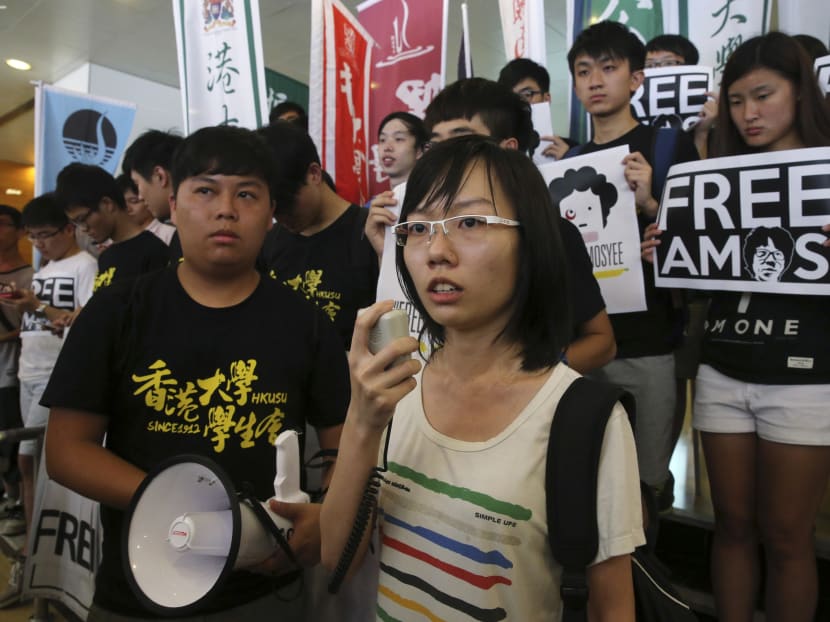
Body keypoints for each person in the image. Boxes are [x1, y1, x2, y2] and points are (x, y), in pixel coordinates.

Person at [321, 135, 644, 620]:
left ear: (531, 243)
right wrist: (362, 423)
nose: (437, 251)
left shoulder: (582, 419)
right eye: (419, 227)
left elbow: (612, 607)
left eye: (470, 222)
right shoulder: (393, 391)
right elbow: (336, 561)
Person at [42, 125, 350, 621]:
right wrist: (178, 506)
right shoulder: (118, 311)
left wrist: (326, 513)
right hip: (138, 591)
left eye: (246, 194)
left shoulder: (305, 322)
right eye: (205, 191)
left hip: (266, 590)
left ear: (271, 211)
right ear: (173, 202)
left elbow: (343, 441)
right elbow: (66, 451)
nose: (226, 209)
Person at [643, 31, 830, 622]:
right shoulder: (710, 179)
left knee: (788, 534)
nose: (749, 113)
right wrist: (666, 253)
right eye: (737, 100)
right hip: (722, 368)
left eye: (764, 95)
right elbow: (699, 283)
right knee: (731, 525)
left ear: (800, 94)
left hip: (806, 377)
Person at [367, 77, 617, 374]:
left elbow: (601, 342)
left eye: (463, 141)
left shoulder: (553, 234)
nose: (445, 157)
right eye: (435, 145)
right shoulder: (410, 234)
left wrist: (525, 378)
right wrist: (389, 251)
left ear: (507, 150)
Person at [566, 20, 699, 510]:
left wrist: (651, 205)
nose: (595, 81)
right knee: (583, 481)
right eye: (584, 71)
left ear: (636, 78)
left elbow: (702, 244)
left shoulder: (667, 146)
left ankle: (645, 555)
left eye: (608, 68)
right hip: (583, 341)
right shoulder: (570, 161)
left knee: (644, 486)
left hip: (648, 339)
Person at [0, 194, 96, 609]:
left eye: (45, 235)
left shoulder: (85, 265)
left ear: (68, 229)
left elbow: (84, 320)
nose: (39, 244)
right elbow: (42, 321)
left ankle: (37, 553)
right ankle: (33, 547)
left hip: (57, 374)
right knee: (29, 462)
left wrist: (36, 304)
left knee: (33, 461)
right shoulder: (44, 269)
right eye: (33, 237)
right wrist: (26, 305)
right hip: (29, 369)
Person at [259, 120, 378, 349]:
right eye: (272, 210)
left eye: (286, 205)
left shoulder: (369, 234)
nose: (280, 217)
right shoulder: (270, 240)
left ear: (314, 174)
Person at [55, 163, 169, 291]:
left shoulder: (153, 252)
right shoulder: (105, 257)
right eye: (76, 223)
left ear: (107, 204)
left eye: (82, 219)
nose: (83, 228)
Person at [0, 205, 32, 557]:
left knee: (9, 438)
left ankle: (15, 502)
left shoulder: (30, 276)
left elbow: (34, 325)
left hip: (11, 370)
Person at [645, 33, 717, 158]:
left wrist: (702, 132)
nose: (657, 70)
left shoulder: (705, 114)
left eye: (669, 63)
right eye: (649, 65)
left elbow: (699, 169)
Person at [122, 130, 184, 261]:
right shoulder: (180, 235)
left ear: (159, 176)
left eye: (137, 184)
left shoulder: (193, 235)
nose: (140, 196)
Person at [497, 57, 576, 160]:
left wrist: (568, 159)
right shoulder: (496, 154)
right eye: (510, 98)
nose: (519, 103)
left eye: (526, 94)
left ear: (546, 99)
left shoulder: (572, 150)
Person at [116, 173, 176, 246]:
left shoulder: (168, 233)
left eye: (133, 201)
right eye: (122, 204)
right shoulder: (119, 241)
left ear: (146, 199)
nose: (127, 209)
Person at [376, 111, 427, 189]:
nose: (387, 148)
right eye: (382, 140)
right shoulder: (379, 198)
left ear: (419, 150)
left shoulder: (432, 196)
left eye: (398, 139)